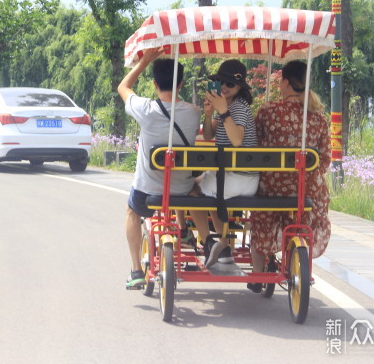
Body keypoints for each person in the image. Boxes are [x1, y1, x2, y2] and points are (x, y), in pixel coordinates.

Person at [118, 47, 201, 289]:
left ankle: (135, 270)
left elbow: (123, 87)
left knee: (132, 213)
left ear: (155, 84)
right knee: (187, 185)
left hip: (148, 192)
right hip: (182, 192)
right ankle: (183, 229)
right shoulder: (194, 113)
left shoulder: (145, 109)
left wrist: (144, 61)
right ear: (181, 84)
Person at [248, 60, 331, 292]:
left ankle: (257, 273)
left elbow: (253, 148)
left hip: (271, 187)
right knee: (303, 212)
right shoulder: (318, 119)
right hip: (306, 189)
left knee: (261, 222)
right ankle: (295, 257)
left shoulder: (268, 111)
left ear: (285, 82)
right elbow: (324, 159)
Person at [191, 59, 259, 267]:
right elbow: (209, 135)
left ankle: (208, 242)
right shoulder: (227, 106)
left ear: (239, 87)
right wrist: (210, 113)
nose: (224, 87)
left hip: (238, 178)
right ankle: (224, 246)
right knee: (210, 186)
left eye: (230, 84)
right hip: (234, 177)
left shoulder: (237, 108)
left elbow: (237, 140)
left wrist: (223, 111)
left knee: (192, 189)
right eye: (221, 82)